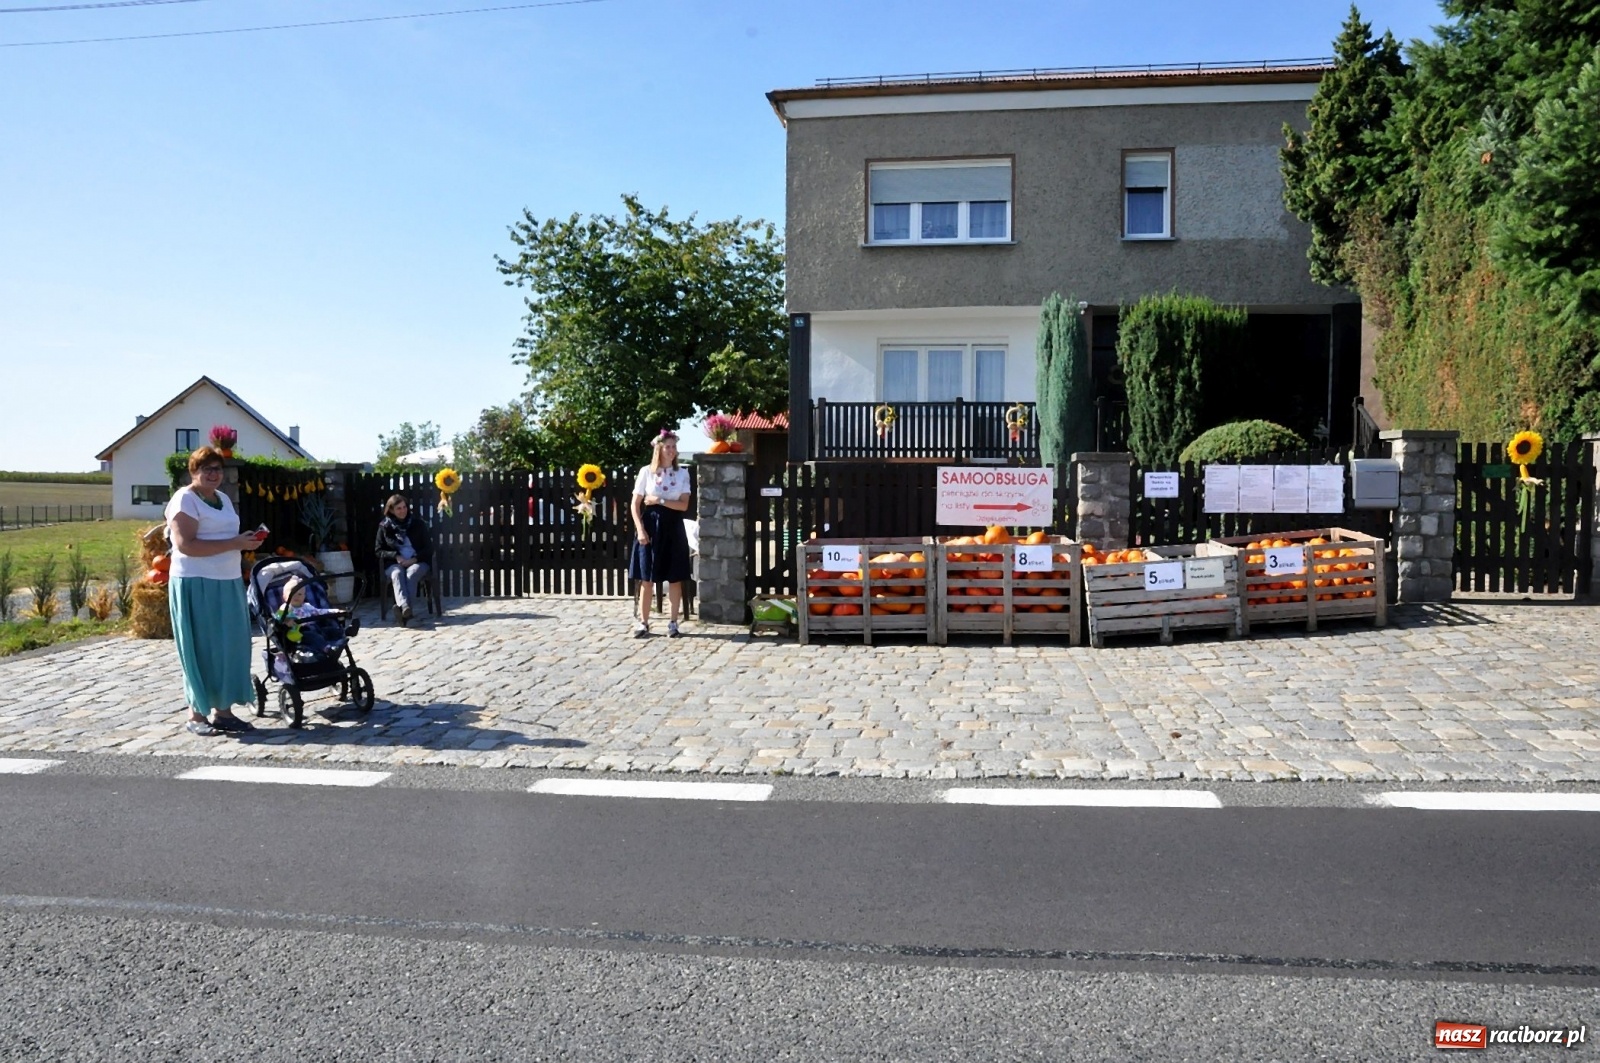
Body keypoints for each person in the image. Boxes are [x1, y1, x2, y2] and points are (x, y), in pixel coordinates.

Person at [165, 446, 263, 737]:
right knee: (203, 648)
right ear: (193, 471)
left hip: (228, 579)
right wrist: (235, 544)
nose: (213, 474)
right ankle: (196, 714)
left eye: (217, 469)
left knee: (229, 647)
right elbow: (186, 545)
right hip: (196, 582)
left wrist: (246, 542)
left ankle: (223, 712)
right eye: (206, 468)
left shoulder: (222, 499)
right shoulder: (184, 499)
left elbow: (228, 537)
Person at [628, 429, 693, 638]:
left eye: (674, 447)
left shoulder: (683, 473)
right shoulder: (646, 472)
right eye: (668, 446)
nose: (672, 451)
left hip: (673, 527)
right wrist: (640, 529)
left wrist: (660, 500)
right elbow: (635, 504)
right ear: (659, 448)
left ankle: (673, 622)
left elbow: (683, 505)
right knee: (647, 577)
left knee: (675, 577)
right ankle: (644, 622)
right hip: (651, 526)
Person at [374, 493, 433, 625]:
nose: (402, 511)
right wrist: (396, 556)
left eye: (404, 507)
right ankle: (406, 609)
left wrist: (414, 560)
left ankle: (403, 610)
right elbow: (378, 550)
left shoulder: (418, 524)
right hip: (395, 563)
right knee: (397, 573)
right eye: (398, 508)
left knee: (411, 573)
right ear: (391, 510)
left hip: (418, 561)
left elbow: (429, 548)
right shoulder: (384, 527)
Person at [274, 574, 347, 660]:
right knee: (314, 637)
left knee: (329, 630)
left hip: (316, 628)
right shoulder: (286, 607)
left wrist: (336, 612)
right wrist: (286, 620)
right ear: (284, 596)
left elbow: (320, 612)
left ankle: (346, 632)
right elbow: (278, 617)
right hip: (300, 633)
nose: (296, 596)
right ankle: (328, 650)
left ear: (304, 597)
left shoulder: (307, 606)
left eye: (300, 594)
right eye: (292, 593)